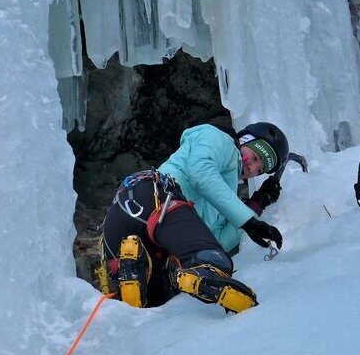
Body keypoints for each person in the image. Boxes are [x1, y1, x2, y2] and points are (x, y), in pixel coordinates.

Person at [96, 122, 288, 314]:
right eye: (254, 157)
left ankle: (128, 271)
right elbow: (200, 173)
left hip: (125, 224)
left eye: (259, 170)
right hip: (156, 197)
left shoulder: (223, 193)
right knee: (211, 262)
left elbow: (215, 240)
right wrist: (249, 221)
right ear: (243, 140)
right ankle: (237, 302)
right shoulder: (221, 140)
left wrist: (256, 205)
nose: (252, 167)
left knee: (155, 305)